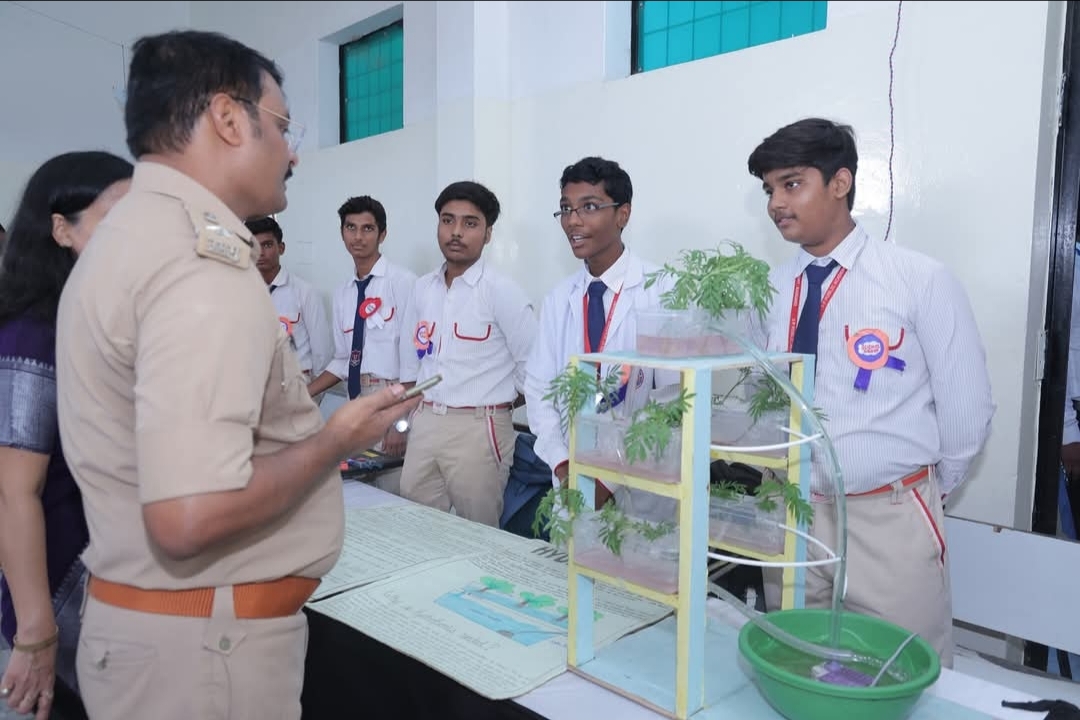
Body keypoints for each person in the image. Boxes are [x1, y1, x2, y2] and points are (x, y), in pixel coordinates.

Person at [53, 30, 422, 720]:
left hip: (172, 638)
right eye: (282, 126)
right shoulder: (197, 265)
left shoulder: (130, 239)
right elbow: (190, 515)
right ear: (228, 118)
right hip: (205, 657)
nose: (293, 152)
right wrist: (336, 440)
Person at [746, 117, 994, 667]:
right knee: (795, 662)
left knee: (899, 672)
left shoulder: (917, 278)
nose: (776, 203)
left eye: (791, 184)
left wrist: (910, 493)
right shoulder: (771, 289)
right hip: (790, 513)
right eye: (769, 190)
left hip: (887, 518)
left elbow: (967, 410)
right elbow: (763, 395)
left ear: (840, 182)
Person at [0, 151, 133, 720]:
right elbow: (14, 493)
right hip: (60, 579)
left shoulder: (90, 320)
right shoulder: (33, 336)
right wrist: (34, 630)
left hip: (110, 568)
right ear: (61, 229)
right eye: (116, 219)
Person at [523, 156, 676, 512]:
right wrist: (563, 464)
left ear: (623, 214)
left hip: (642, 485)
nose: (573, 221)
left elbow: (672, 399)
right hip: (571, 479)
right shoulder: (560, 298)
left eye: (588, 207)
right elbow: (539, 389)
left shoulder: (662, 290)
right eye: (566, 209)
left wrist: (608, 478)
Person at [397, 181, 537, 526]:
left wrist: (497, 405)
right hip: (425, 420)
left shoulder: (502, 292)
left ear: (488, 234)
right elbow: (412, 361)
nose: (456, 232)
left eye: (470, 223)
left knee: (479, 527)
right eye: (448, 221)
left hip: (479, 427)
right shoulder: (422, 288)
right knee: (415, 520)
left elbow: (533, 368)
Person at [308, 196, 417, 493]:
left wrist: (399, 423)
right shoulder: (343, 293)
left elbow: (414, 361)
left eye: (367, 228)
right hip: (356, 403)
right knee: (360, 494)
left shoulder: (403, 282)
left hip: (392, 399)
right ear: (342, 232)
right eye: (351, 228)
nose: (358, 237)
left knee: (394, 493)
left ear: (383, 234)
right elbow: (344, 359)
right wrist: (306, 392)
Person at [245, 215, 332, 381]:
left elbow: (322, 351)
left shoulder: (305, 292)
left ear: (281, 248)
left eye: (267, 245)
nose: (260, 252)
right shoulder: (241, 294)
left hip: (297, 382)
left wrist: (312, 392)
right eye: (253, 245)